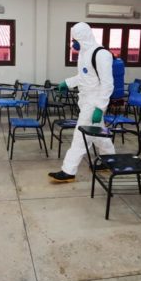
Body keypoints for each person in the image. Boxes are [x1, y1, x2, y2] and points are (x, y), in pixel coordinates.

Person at [49, 22, 116, 183]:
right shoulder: (84, 53)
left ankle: (68, 171)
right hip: (85, 100)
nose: (73, 43)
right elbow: (84, 77)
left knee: (80, 136)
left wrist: (100, 107)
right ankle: (110, 161)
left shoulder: (101, 55)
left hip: (94, 102)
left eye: (75, 40)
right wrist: (67, 83)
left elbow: (108, 84)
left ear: (84, 37)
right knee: (99, 135)